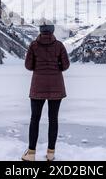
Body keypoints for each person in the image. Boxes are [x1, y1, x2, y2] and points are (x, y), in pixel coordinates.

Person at [21, 23, 70, 161]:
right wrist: (57, 66)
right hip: (56, 87)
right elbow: (66, 65)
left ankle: (31, 154)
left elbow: (28, 66)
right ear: (52, 31)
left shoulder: (34, 45)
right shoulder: (59, 45)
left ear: (40, 31)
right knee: (53, 119)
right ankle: (50, 153)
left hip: (38, 87)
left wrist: (38, 66)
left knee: (34, 119)